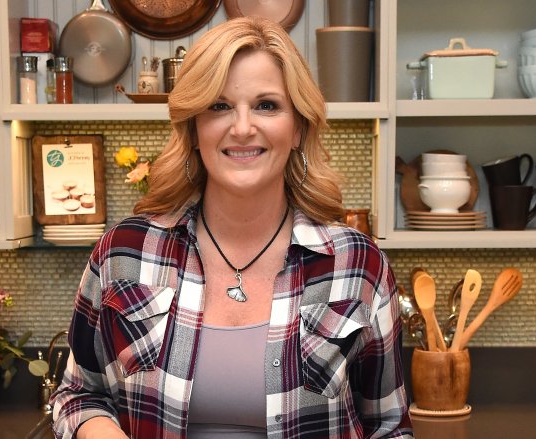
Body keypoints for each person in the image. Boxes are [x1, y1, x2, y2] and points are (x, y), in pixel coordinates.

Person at [51, 16, 413, 439]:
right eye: (219, 106)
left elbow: (389, 427)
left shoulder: (357, 264)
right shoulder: (124, 251)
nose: (242, 128)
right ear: (194, 127)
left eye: (266, 105)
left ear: (297, 127)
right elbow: (77, 394)